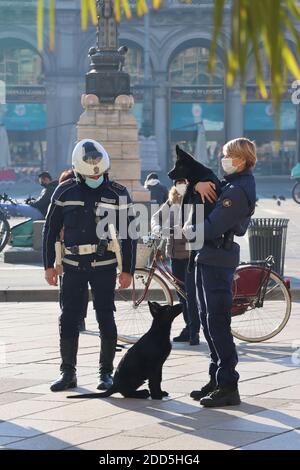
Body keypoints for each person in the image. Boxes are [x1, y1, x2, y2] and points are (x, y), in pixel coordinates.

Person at [43, 139, 137, 392]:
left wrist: (127, 269)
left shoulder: (117, 192)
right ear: (77, 170)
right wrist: (48, 266)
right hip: (72, 265)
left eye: (99, 170)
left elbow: (128, 233)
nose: (95, 175)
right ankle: (67, 372)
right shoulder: (64, 191)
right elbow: (50, 230)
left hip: (104, 265)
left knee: (106, 317)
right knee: (68, 317)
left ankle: (106, 373)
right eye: (89, 172)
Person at [185, 137, 257, 407]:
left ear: (240, 159)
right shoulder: (231, 184)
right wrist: (195, 184)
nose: (223, 159)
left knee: (217, 323)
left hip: (218, 257)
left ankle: (228, 384)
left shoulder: (238, 190)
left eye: (227, 156)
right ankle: (216, 378)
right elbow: (204, 189)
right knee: (207, 321)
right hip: (209, 256)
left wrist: (191, 232)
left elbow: (215, 225)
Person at [151, 179, 200, 345]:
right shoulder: (172, 200)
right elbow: (156, 218)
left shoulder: (194, 198)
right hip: (175, 255)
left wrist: (177, 230)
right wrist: (157, 229)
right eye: (178, 182)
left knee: (190, 294)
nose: (181, 185)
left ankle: (194, 331)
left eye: (184, 182)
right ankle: (188, 328)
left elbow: (194, 224)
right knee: (182, 294)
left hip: (189, 253)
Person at [58, 169, 88, 333]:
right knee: (75, 288)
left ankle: (72, 316)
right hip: (67, 252)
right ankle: (76, 318)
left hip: (70, 252)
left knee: (68, 288)